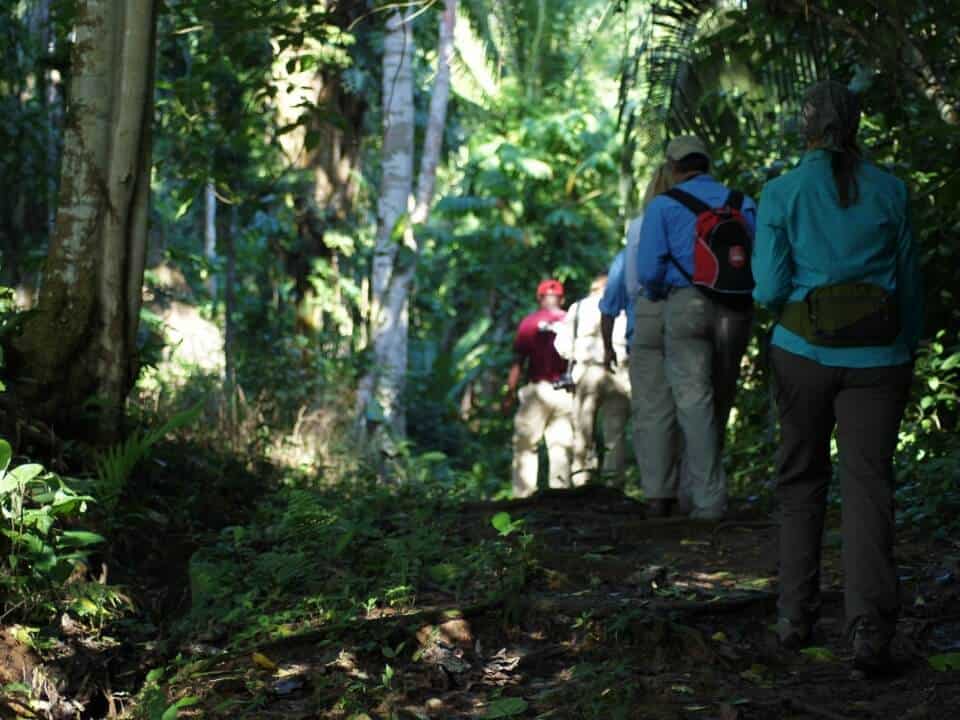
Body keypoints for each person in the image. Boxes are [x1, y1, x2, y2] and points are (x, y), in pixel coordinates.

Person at [752, 81, 923, 669]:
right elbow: (908, 289)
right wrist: (904, 349)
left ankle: (794, 619)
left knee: (801, 483)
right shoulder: (892, 191)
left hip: (801, 352)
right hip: (880, 359)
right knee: (869, 488)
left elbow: (771, 288)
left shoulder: (782, 193)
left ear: (807, 125)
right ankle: (869, 629)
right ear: (857, 125)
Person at [635, 136, 757, 520]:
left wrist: (660, 293)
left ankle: (707, 502)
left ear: (673, 167)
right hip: (736, 308)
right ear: (707, 163)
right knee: (719, 399)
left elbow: (649, 270)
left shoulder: (664, 206)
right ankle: (697, 492)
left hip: (686, 304)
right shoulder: (742, 202)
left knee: (693, 401)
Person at [608, 167, 683, 517]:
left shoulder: (638, 227)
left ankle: (657, 494)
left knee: (652, 411)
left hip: (646, 321)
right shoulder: (695, 220)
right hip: (693, 314)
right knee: (694, 406)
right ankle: (691, 491)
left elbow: (619, 291)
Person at [554, 275, 630, 487]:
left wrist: (577, 354)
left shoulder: (579, 308)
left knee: (583, 432)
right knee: (615, 434)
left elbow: (561, 345)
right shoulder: (625, 305)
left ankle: (582, 480)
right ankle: (614, 483)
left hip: (587, 372)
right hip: (619, 373)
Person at [502, 280, 575, 497]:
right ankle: (560, 496)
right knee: (561, 447)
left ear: (539, 298)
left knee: (525, 445)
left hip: (538, 391)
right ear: (562, 299)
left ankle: (523, 496)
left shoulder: (529, 322)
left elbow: (518, 361)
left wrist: (510, 392)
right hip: (565, 393)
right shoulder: (570, 322)